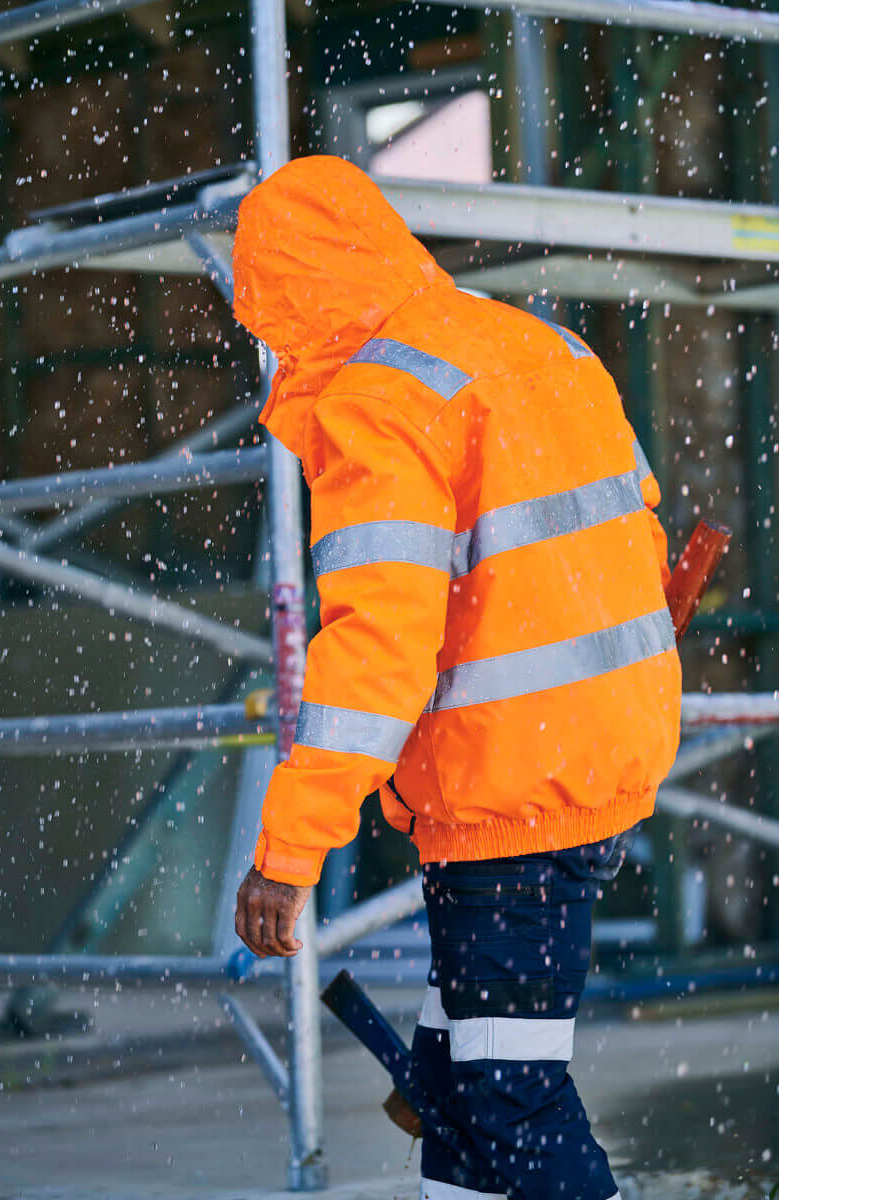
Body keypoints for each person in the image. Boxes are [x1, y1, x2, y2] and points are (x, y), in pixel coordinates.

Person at [231, 155, 680, 1200]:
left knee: (509, 1098)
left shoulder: (381, 399)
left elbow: (376, 648)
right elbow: (636, 537)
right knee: (461, 1103)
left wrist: (289, 852)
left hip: (509, 798)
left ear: (285, 303)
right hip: (595, 768)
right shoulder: (540, 343)